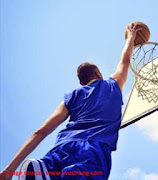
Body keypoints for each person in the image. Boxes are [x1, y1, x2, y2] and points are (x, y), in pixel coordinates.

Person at [0, 23, 140, 180]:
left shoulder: (71, 97)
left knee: (52, 171)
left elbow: (40, 131)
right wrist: (130, 38)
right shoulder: (112, 85)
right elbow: (125, 61)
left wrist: (9, 170)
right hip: (92, 149)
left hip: (62, 147)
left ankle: (43, 170)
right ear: (98, 73)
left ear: (81, 82)